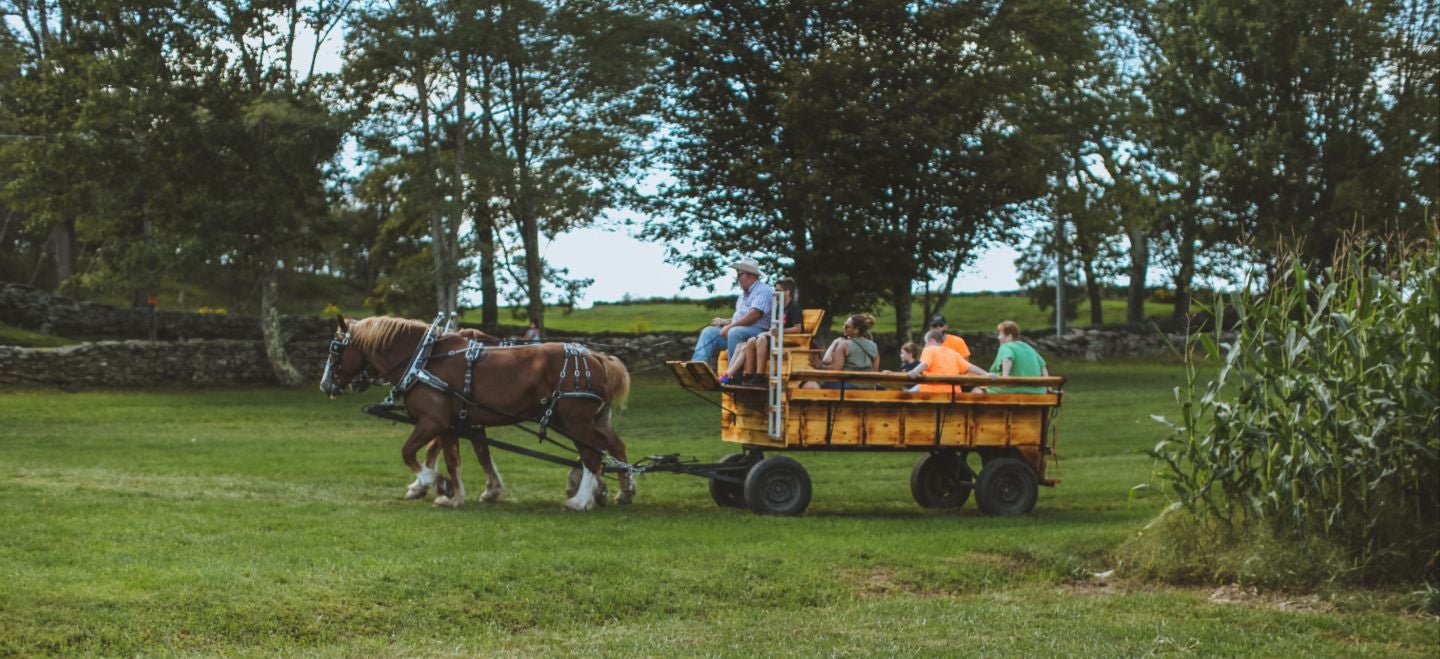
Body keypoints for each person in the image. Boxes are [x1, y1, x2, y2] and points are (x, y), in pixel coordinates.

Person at [719, 277, 802, 386]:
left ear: (787, 292)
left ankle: (758, 376)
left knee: (761, 339)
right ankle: (741, 376)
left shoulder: (793, 307)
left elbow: (798, 329)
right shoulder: (778, 307)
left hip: (785, 340)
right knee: (742, 345)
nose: (775, 293)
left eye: (778, 290)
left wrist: (780, 331)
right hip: (775, 336)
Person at [690, 258, 774, 366]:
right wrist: (725, 321)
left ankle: (733, 375)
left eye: (740, 274)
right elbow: (741, 318)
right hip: (741, 331)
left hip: (760, 332)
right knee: (709, 332)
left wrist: (730, 327)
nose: (737, 278)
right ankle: (696, 367)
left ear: (751, 275)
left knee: (734, 332)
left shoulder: (764, 290)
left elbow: (754, 315)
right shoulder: (743, 295)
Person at [906, 328, 988, 393]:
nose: (925, 346)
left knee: (907, 395)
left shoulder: (929, 349)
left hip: (931, 393)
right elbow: (971, 367)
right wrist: (986, 374)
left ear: (931, 341)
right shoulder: (954, 353)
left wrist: (914, 371)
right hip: (952, 395)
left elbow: (925, 364)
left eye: (925, 343)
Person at [819, 313, 879, 389]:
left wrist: (820, 366)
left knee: (825, 385)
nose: (843, 327)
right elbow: (875, 370)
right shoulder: (874, 345)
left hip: (848, 386)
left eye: (846, 326)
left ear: (856, 330)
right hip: (869, 387)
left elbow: (835, 370)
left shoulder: (844, 345)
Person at [986, 320, 1049, 394]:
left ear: (1009, 337)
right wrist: (1048, 386)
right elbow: (1043, 367)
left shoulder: (1006, 346)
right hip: (1037, 391)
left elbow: (1007, 358)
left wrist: (1004, 380)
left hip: (1013, 390)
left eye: (1001, 334)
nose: (998, 338)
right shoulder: (1029, 348)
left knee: (986, 389)